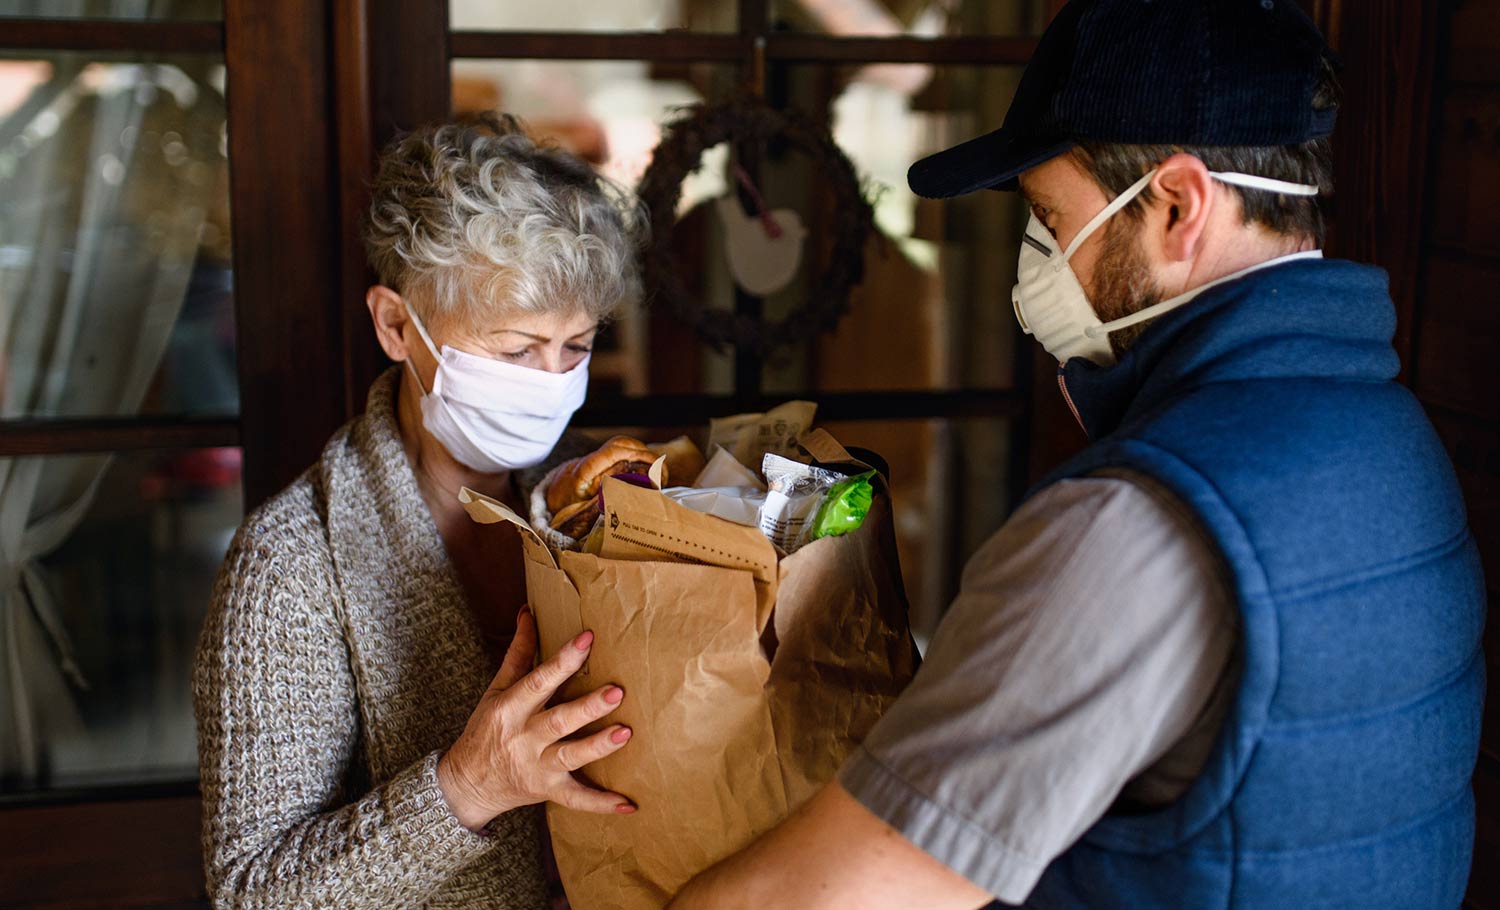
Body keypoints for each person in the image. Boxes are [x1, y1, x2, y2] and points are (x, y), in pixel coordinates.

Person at [668, 1, 1487, 908]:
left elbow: (824, 897)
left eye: (1049, 218)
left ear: (1177, 205)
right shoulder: (1396, 440)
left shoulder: (1135, 520)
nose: (1038, 260)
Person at [193, 113, 645, 909]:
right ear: (398, 326)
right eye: (516, 350)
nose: (551, 383)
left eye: (575, 347)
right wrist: (467, 787)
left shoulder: (605, 496)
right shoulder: (291, 567)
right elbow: (252, 894)